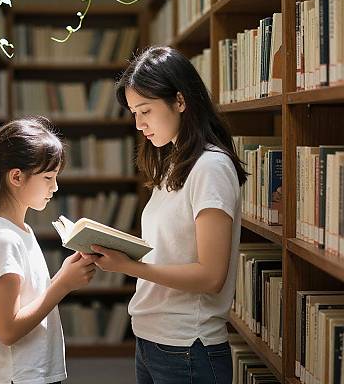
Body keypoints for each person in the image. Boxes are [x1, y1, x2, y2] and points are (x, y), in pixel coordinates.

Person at [89, 47, 247, 384]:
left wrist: (128, 266)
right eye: (134, 113)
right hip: (152, 336)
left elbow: (211, 276)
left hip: (187, 343)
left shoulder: (211, 167)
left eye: (145, 110)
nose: (138, 124)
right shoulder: (175, 162)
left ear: (180, 101)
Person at [0, 117, 98, 384]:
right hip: (18, 378)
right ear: (16, 177)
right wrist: (63, 283)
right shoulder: (4, 238)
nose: (55, 187)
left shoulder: (19, 230)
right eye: (48, 177)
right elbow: (8, 329)